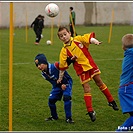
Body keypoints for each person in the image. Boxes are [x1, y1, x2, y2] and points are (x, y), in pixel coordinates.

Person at [56, 26, 119, 122]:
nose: (64, 37)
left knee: (99, 82)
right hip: (81, 70)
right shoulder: (63, 51)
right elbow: (62, 66)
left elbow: (88, 38)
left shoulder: (77, 39)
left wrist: (95, 41)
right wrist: (60, 78)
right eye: (61, 36)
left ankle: (111, 100)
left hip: (90, 65)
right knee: (86, 88)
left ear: (69, 33)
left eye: (65, 34)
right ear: (59, 39)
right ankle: (90, 111)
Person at [34, 53, 74, 123]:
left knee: (66, 97)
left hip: (67, 82)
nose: (39, 67)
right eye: (37, 65)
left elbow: (65, 63)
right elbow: (53, 82)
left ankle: (68, 118)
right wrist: (59, 85)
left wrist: (71, 59)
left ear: (45, 62)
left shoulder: (56, 66)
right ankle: (54, 117)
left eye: (40, 64)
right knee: (51, 100)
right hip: (57, 86)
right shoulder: (43, 74)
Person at [116, 34, 133, 131]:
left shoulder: (129, 54)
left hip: (127, 88)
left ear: (123, 47)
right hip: (128, 89)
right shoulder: (132, 54)